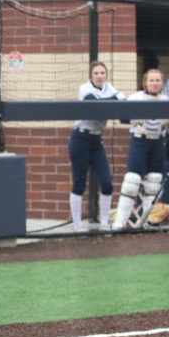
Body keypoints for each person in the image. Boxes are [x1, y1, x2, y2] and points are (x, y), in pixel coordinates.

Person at [112, 69, 169, 230]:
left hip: (158, 143)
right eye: (151, 80)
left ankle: (149, 220)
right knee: (131, 181)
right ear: (145, 82)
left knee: (153, 182)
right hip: (140, 142)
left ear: (162, 83)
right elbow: (122, 117)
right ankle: (120, 221)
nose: (154, 83)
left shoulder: (166, 100)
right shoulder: (136, 97)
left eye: (157, 80)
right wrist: (137, 122)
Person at [68, 61, 122, 231]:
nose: (100, 76)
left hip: (97, 140)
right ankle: (77, 225)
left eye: (102, 73)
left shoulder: (109, 87)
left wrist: (113, 99)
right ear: (91, 76)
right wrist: (113, 100)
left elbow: (119, 99)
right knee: (79, 184)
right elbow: (96, 106)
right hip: (80, 139)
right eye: (96, 73)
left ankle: (104, 222)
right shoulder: (84, 88)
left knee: (107, 183)